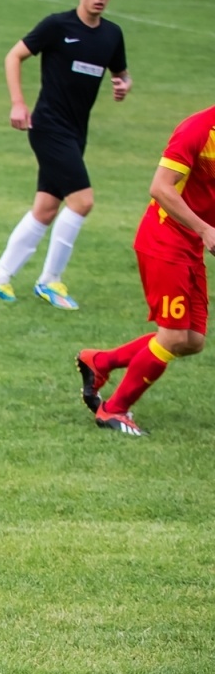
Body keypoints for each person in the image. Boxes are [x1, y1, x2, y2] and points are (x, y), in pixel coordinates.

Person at [0, 0, 130, 311]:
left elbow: (122, 73)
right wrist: (18, 104)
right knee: (83, 201)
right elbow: (13, 56)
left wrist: (123, 85)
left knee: (46, 209)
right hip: (48, 127)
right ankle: (49, 282)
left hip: (77, 133)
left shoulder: (112, 34)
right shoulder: (56, 26)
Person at [77, 105, 215, 436]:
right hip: (164, 241)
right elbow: (160, 187)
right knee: (171, 336)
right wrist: (205, 229)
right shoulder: (197, 129)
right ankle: (113, 410)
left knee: (192, 341)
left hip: (190, 245)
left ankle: (100, 362)